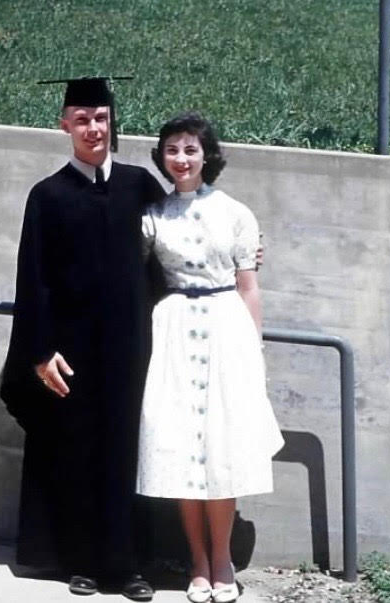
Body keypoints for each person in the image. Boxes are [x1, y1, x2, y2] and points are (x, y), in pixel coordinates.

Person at [0, 76, 165, 600]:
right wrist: (40, 353)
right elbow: (33, 280)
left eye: (101, 119)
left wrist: (241, 253)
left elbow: (176, 249)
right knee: (78, 451)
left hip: (133, 346)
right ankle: (84, 563)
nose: (93, 128)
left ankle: (130, 565)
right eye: (82, 119)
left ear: (112, 124)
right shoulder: (47, 195)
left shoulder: (140, 185)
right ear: (64, 125)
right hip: (70, 351)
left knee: (129, 450)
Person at [135, 113, 284, 603]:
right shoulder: (153, 214)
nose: (181, 159)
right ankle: (197, 563)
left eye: (190, 150)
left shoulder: (236, 213)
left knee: (221, 446)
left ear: (207, 155)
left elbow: (249, 287)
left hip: (225, 328)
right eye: (172, 150)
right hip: (174, 328)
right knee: (180, 447)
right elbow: (132, 268)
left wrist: (253, 352)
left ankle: (223, 559)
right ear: (162, 157)